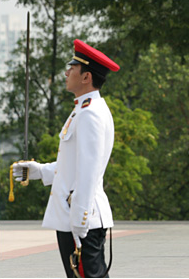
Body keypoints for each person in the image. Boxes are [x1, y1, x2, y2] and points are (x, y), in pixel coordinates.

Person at [12, 39, 119, 278]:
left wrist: (79, 220)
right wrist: (40, 171)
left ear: (86, 77)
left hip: (82, 217)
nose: (67, 71)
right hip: (75, 214)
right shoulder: (83, 109)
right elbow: (74, 165)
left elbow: (89, 171)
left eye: (73, 67)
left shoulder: (90, 113)